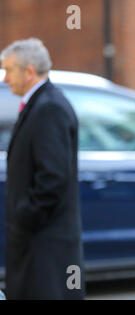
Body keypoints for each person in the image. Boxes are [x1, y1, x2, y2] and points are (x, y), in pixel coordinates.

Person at [1, 38, 84, 299]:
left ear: (28, 71)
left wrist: (24, 217)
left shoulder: (49, 108)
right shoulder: (42, 103)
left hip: (45, 244)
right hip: (38, 241)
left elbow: (53, 176)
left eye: (8, 70)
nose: (5, 79)